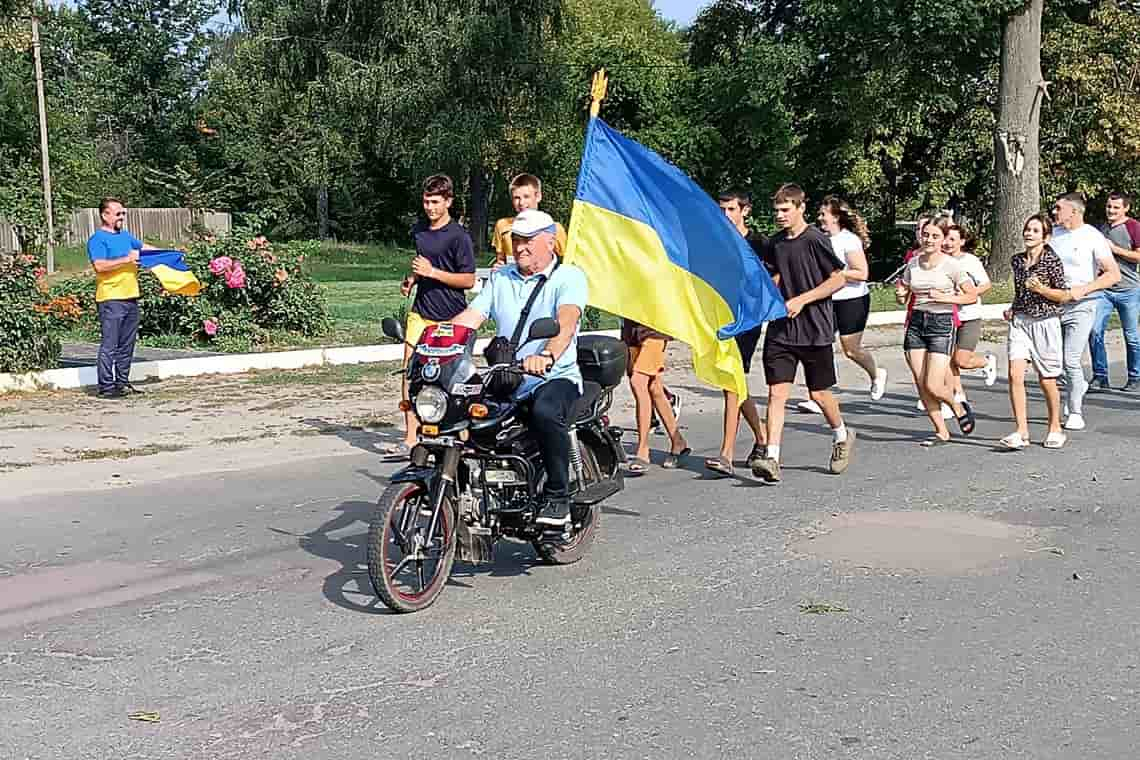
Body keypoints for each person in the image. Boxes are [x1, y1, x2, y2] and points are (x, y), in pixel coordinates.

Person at [453, 209, 588, 529]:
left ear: (550, 243)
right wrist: (432, 342)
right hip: (507, 376)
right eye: (516, 239)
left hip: (553, 376)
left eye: (528, 240)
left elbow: (566, 322)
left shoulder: (568, 277)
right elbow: (470, 318)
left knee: (544, 411)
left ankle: (558, 497)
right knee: (458, 411)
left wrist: (549, 356)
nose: (520, 246)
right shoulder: (501, 277)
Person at [749, 184, 855, 483]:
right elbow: (776, 274)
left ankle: (841, 436)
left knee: (819, 393)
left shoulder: (815, 240)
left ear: (800, 208)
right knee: (776, 393)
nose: (780, 216)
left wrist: (802, 299)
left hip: (814, 328)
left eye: (785, 210)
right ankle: (772, 457)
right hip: (782, 329)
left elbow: (837, 281)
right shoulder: (777, 243)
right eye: (776, 211)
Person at [389, 175, 476, 457]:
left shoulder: (459, 237)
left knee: (454, 376)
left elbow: (468, 280)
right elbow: (421, 264)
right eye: (426, 201)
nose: (430, 207)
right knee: (410, 371)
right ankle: (411, 435)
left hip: (452, 316)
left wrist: (433, 273)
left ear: (448, 201)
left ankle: (462, 432)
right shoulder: (420, 231)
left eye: (435, 202)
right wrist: (412, 279)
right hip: (421, 312)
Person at [797, 196, 887, 414]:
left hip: (851, 300)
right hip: (826, 300)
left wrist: (835, 274)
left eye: (823, 214)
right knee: (817, 346)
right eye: (819, 214)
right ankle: (818, 395)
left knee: (851, 349)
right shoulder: (817, 238)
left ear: (836, 217)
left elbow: (862, 273)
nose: (819, 218)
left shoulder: (849, 240)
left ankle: (877, 373)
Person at [894, 216, 977, 446]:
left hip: (941, 323)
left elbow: (971, 295)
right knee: (921, 383)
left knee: (933, 384)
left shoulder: (952, 265)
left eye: (935, 236)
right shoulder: (913, 263)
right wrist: (901, 294)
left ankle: (957, 406)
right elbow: (905, 294)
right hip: (916, 322)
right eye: (926, 234)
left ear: (943, 240)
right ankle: (941, 431)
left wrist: (946, 298)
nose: (929, 239)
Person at [705, 189, 768, 476]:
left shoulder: (758, 244)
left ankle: (726, 454)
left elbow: (773, 278)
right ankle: (762, 436)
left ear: (745, 211)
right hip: (721, 317)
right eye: (721, 210)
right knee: (734, 382)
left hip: (747, 320)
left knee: (732, 380)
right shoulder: (716, 243)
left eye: (731, 209)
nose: (725, 215)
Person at [1049, 193, 1120, 430]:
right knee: (1053, 362)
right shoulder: (1053, 235)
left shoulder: (1092, 236)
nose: (1054, 212)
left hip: (1083, 304)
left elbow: (1113, 274)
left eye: (1059, 208)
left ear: (1075, 212)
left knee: (1070, 359)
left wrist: (1085, 288)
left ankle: (1075, 411)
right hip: (1054, 304)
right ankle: (1077, 386)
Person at [1000, 214, 1069, 449]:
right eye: (1027, 229)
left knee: (1047, 379)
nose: (1029, 234)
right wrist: (1012, 308)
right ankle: (1021, 431)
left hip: (1046, 322)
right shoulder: (1017, 261)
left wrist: (1042, 289)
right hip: (1021, 322)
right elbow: (1020, 293)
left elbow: (1063, 295)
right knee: (1014, 374)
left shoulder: (1052, 260)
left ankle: (1055, 427)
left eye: (1035, 231)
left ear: (1045, 236)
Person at [86, 198, 159, 399]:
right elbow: (99, 266)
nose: (121, 217)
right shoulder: (97, 239)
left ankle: (121, 383)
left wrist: (170, 255)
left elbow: (145, 248)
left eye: (123, 213)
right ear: (105, 215)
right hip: (111, 299)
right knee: (110, 345)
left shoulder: (126, 236)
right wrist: (127, 259)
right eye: (118, 213)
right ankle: (106, 387)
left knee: (127, 345)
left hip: (131, 298)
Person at [621, 318, 689, 473]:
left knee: (638, 381)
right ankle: (678, 441)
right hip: (631, 326)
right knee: (654, 387)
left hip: (654, 328)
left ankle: (642, 451)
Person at [1088, 192, 1140, 392]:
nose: (1111, 210)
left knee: (1132, 336)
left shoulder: (1134, 227)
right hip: (1104, 289)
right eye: (1109, 206)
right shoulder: (1101, 229)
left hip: (1129, 289)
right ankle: (1100, 376)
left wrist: (1114, 249)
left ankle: (1135, 377)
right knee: (1094, 331)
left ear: (1125, 208)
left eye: (1116, 207)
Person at [944, 224, 998, 404]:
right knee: (947, 359)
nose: (947, 243)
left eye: (952, 239)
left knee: (961, 360)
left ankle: (986, 362)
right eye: (945, 238)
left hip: (969, 316)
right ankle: (958, 395)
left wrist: (970, 292)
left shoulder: (970, 261)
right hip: (946, 315)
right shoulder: (940, 260)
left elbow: (986, 284)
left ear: (962, 241)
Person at [491, 174, 568, 266]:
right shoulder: (503, 225)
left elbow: (565, 261)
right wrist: (498, 266)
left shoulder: (554, 228)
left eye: (526, 197)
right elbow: (501, 259)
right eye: (517, 198)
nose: (521, 203)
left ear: (538, 197)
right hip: (513, 277)